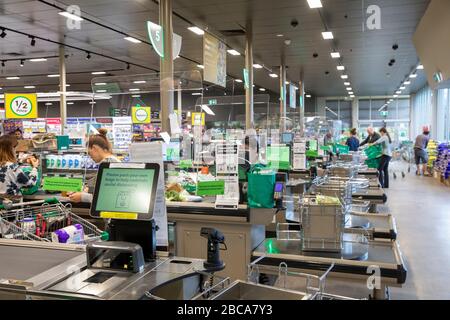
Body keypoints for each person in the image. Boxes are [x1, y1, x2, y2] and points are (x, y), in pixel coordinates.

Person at [68, 129, 120, 203]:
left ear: (95, 148)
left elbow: (107, 196)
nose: (90, 157)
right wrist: (86, 190)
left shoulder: (108, 164)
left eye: (89, 153)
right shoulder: (109, 161)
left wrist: (82, 197)